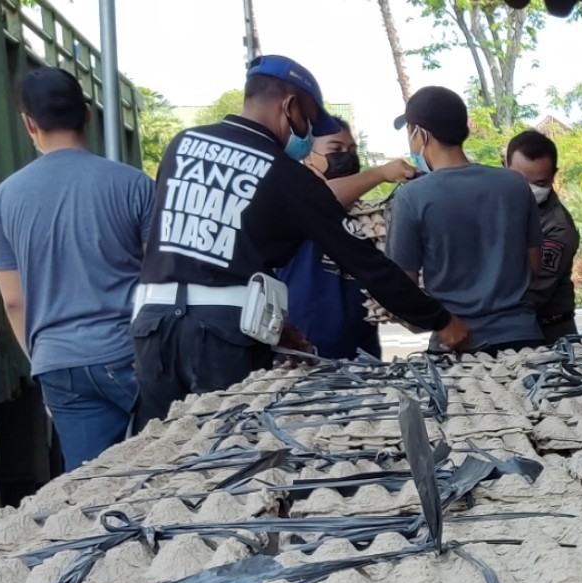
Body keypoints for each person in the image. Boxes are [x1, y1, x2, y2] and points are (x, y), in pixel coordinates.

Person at [134, 55, 467, 426]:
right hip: (221, 338)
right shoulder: (283, 173)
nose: (307, 133)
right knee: (230, 451)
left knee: (165, 452)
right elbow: (364, 261)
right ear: (289, 107)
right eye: (308, 120)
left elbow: (208, 247)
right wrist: (442, 321)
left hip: (153, 327)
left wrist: (275, 325)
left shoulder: (183, 144)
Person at [0, 68, 153, 471]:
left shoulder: (4, 199)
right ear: (87, 116)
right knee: (160, 472)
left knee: (89, 487)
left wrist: (42, 359)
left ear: (29, 123)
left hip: (59, 362)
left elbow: (13, 301)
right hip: (130, 353)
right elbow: (161, 280)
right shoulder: (134, 184)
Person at [389, 87, 544, 353]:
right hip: (523, 341)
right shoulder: (514, 184)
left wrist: (433, 321)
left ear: (421, 134)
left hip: (456, 347)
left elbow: (400, 289)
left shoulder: (411, 197)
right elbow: (533, 264)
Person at [278, 118, 415, 360]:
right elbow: (323, 201)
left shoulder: (364, 214)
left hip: (362, 350)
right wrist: (382, 173)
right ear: (309, 156)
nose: (346, 157)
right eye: (335, 149)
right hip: (304, 347)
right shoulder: (291, 196)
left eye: (352, 151)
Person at [505, 130, 581, 345]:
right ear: (504, 167)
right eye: (519, 180)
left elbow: (534, 294)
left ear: (554, 175)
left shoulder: (558, 227)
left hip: (549, 336)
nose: (527, 191)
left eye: (538, 183)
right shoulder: (495, 207)